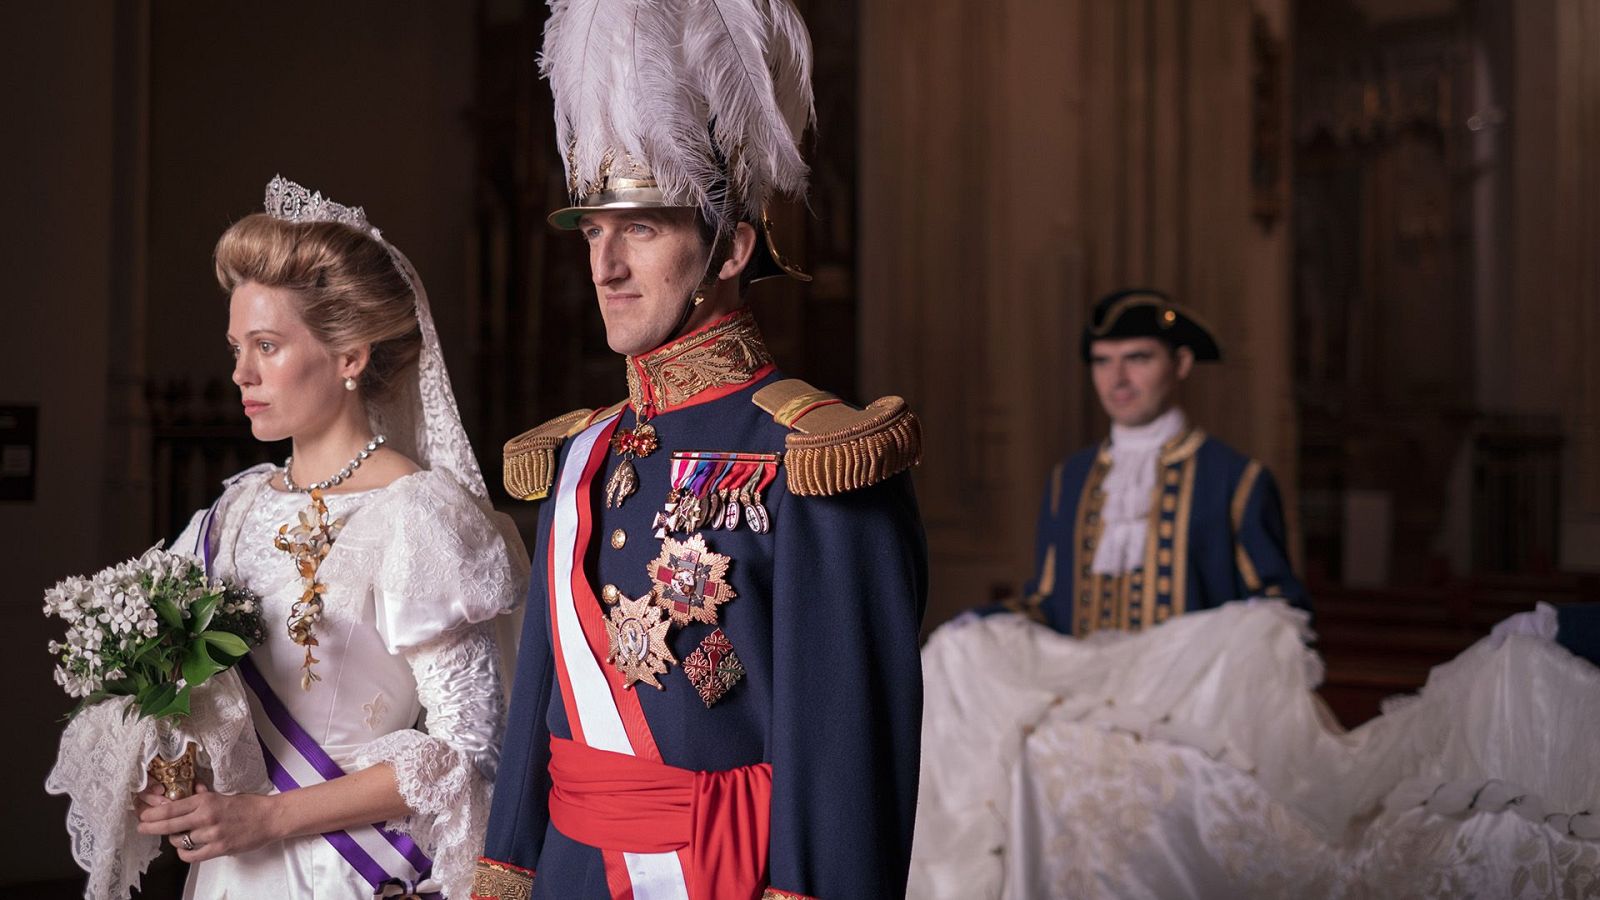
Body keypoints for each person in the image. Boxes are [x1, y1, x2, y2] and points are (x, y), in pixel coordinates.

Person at [470, 3, 927, 899]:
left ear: (730, 250)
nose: (605, 266)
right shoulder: (583, 453)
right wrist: (507, 872)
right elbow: (538, 720)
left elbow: (845, 761)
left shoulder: (815, 458)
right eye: (594, 231)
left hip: (720, 876)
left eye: (640, 228)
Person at [132, 176, 529, 899]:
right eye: (236, 346)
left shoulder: (417, 516)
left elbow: (469, 751)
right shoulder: (234, 511)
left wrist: (271, 815)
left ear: (350, 356)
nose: (240, 373)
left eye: (267, 346)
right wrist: (176, 786)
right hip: (231, 870)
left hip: (347, 870)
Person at [1005, 288, 1308, 635]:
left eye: (1138, 358)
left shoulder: (1237, 480)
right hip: (1081, 684)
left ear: (1181, 363)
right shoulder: (1069, 478)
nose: (1117, 378)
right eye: (1102, 361)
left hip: (1193, 686)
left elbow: (1279, 609)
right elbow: (1046, 601)